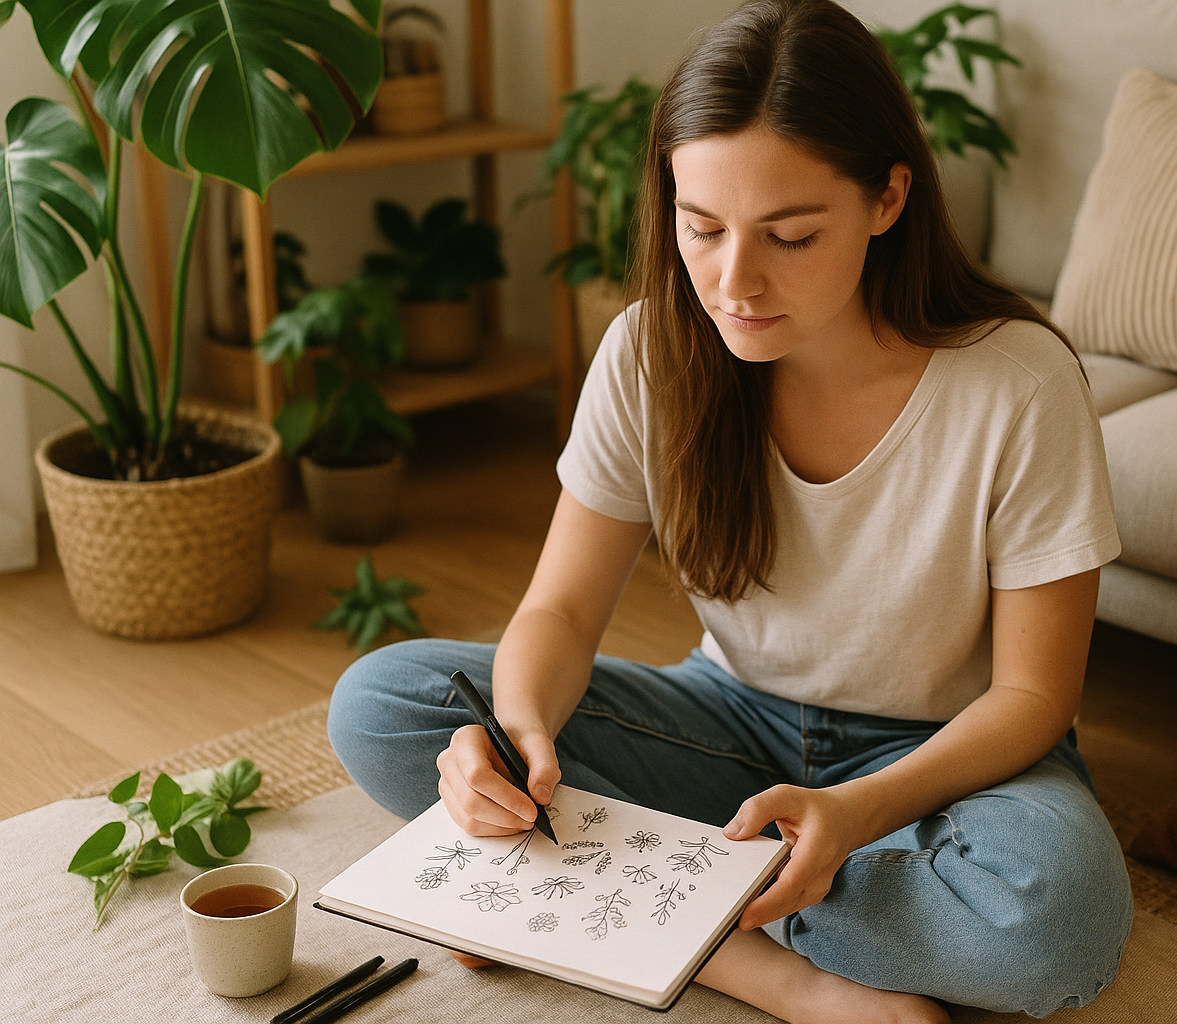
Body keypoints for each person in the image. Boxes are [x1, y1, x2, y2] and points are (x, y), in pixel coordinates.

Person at [328, 1, 1133, 1020]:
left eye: (790, 235)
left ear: (888, 198)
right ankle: (772, 970)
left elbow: (1033, 699)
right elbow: (562, 612)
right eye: (700, 227)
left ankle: (578, 895)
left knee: (1053, 920)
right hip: (729, 722)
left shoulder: (1018, 383)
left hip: (943, 757)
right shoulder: (649, 353)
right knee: (384, 705)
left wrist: (852, 811)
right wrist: (523, 741)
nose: (733, 281)